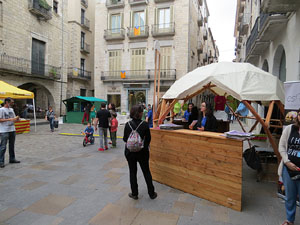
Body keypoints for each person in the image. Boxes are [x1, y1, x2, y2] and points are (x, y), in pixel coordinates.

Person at [123, 105, 157, 200]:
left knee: (132, 172)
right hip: (143, 153)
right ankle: (151, 193)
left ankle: (134, 193)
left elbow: (125, 139)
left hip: (130, 153)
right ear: (140, 113)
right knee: (146, 172)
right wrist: (143, 147)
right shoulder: (145, 124)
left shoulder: (127, 125)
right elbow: (148, 139)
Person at [279, 108, 300, 225]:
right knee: (290, 197)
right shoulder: (289, 129)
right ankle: (289, 220)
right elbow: (281, 147)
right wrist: (287, 162)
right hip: (289, 169)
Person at [0, 98, 21, 168]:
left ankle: (12, 158)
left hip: (12, 129)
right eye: (12, 102)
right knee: (3, 146)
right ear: (7, 102)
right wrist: (9, 119)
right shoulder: (1, 110)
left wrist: (17, 119)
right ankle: (1, 161)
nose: (13, 103)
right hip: (4, 130)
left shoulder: (11, 110)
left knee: (12, 145)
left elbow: (14, 119)